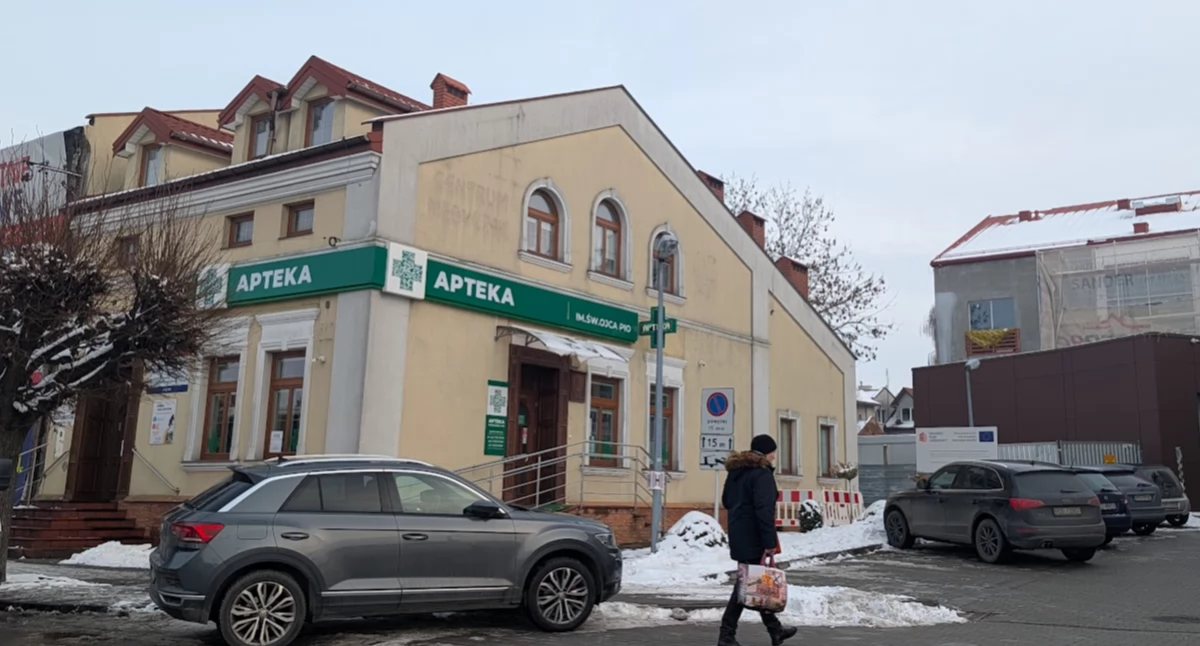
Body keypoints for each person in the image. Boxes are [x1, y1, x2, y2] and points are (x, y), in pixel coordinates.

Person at [718, 434, 797, 646]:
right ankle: (726, 635)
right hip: (754, 536)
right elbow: (764, 511)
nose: (774, 456)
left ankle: (775, 630)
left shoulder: (736, 472)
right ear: (766, 452)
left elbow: (727, 500)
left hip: (738, 533)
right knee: (748, 584)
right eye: (773, 451)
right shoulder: (761, 475)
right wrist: (769, 542)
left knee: (755, 582)